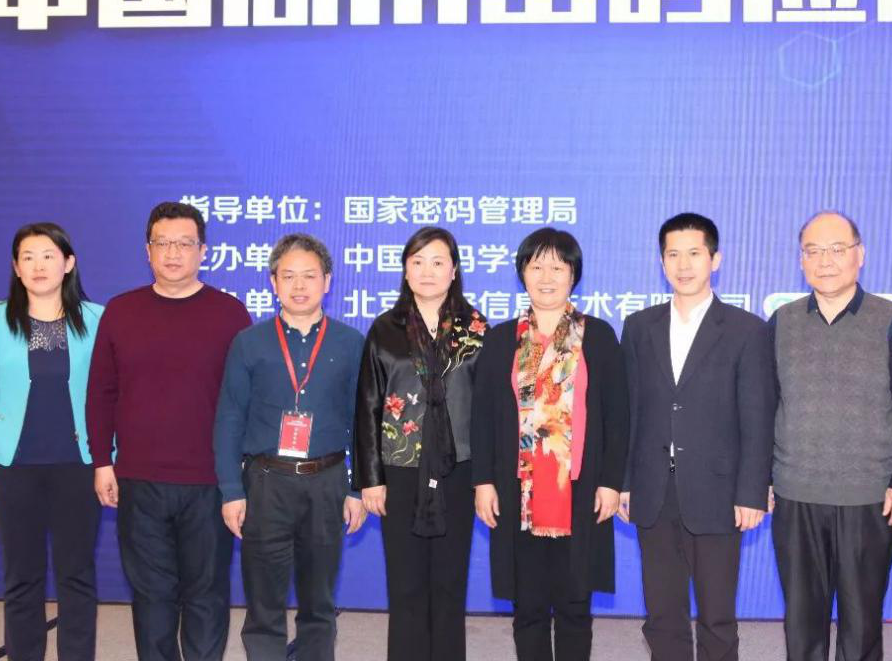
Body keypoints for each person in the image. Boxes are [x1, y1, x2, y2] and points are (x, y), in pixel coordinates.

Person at [86, 202, 252, 661]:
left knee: (206, 594)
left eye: (184, 243)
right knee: (151, 596)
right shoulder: (121, 311)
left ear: (203, 251)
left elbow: (246, 400)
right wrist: (101, 461)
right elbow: (100, 392)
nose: (173, 253)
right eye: (163, 243)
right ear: (148, 250)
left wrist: (239, 475)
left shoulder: (229, 313)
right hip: (138, 479)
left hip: (209, 480)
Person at [769, 211, 892, 661]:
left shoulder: (891, 320)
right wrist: (762, 478)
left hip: (869, 496)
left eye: (837, 249)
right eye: (814, 251)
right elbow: (764, 406)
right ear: (801, 260)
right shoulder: (781, 322)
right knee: (802, 623)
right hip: (796, 493)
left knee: (861, 623)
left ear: (861, 255)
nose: (826, 260)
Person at [617, 213, 775, 661]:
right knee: (661, 614)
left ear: (715, 259)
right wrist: (625, 482)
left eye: (694, 253)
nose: (683, 265)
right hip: (654, 489)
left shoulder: (747, 329)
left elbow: (758, 417)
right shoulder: (639, 326)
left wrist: (752, 492)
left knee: (717, 615)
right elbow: (630, 411)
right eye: (673, 255)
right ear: (661, 262)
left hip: (719, 491)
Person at [471, 227, 629, 661]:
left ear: (573, 275)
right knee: (528, 606)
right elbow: (482, 417)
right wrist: (483, 481)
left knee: (576, 605)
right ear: (522, 273)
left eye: (557, 268)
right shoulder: (501, 339)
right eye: (536, 266)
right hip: (517, 490)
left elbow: (617, 417)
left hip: (580, 489)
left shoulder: (598, 336)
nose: (546, 277)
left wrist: (611, 482)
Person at [214, 233, 366, 660]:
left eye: (310, 276)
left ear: (327, 281)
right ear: (273, 282)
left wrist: (356, 488)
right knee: (264, 602)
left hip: (327, 482)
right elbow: (230, 418)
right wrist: (231, 491)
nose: (299, 286)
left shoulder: (351, 343)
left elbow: (361, 421)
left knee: (319, 602)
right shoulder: (249, 342)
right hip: (266, 482)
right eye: (289, 276)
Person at [0, 223, 103, 661]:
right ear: (16, 267)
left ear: (69, 263)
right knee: (22, 577)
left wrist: (110, 460)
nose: (38, 266)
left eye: (48, 256)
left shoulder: (97, 318)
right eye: (28, 257)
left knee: (77, 576)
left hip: (78, 466)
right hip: (12, 467)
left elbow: (110, 396)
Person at [352, 226, 488, 661]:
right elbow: (368, 405)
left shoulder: (476, 329)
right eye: (417, 262)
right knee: (406, 583)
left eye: (437, 262)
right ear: (405, 271)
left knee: (450, 582)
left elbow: (489, 411)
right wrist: (370, 479)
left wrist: (486, 478)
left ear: (454, 270)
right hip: (399, 471)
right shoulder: (384, 330)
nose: (427, 271)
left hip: (459, 470)